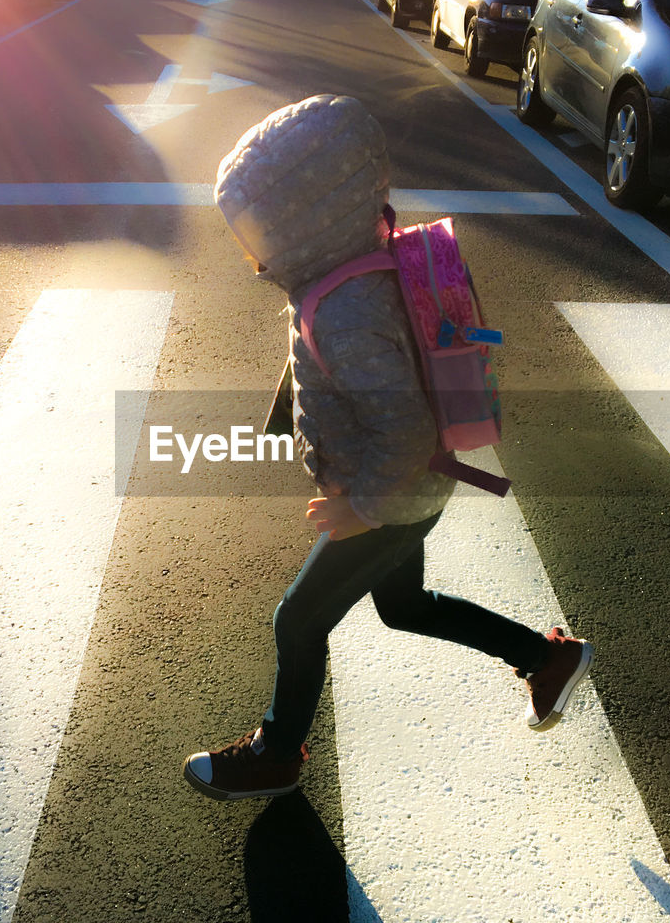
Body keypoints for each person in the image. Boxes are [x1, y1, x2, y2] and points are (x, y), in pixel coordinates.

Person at [182, 94, 593, 802]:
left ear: (304, 217)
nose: (246, 246)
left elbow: (401, 428)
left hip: (394, 495)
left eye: (253, 226)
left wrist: (362, 508)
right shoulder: (349, 270)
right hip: (411, 490)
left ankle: (277, 753)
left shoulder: (343, 304)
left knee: (298, 618)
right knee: (404, 607)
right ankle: (543, 659)